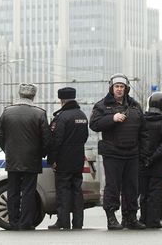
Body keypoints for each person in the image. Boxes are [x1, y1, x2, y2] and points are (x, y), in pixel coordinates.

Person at [90, 73, 147, 230]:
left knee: (132, 187)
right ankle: (111, 217)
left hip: (132, 153)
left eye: (122, 87)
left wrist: (143, 151)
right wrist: (112, 118)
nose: (119, 90)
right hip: (112, 153)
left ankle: (130, 217)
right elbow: (94, 124)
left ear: (126, 88)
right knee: (113, 186)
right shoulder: (102, 105)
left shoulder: (135, 105)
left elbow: (143, 130)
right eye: (117, 87)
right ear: (111, 88)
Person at [0, 83, 50, 231]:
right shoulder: (39, 113)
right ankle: (26, 223)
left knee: (12, 190)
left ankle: (13, 222)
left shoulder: (7, 112)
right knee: (28, 191)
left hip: (13, 159)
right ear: (33, 96)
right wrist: (42, 153)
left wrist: (8, 150)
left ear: (19, 94)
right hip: (32, 159)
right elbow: (46, 139)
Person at [46, 86, 89, 230]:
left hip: (63, 160)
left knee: (63, 191)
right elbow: (85, 137)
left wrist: (52, 160)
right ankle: (78, 222)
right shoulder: (82, 115)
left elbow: (56, 141)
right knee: (77, 191)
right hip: (78, 159)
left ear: (61, 101)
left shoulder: (62, 117)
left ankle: (63, 222)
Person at [138, 92, 162, 229]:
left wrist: (144, 158)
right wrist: (152, 158)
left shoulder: (141, 122)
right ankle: (153, 220)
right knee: (155, 194)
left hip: (142, 164)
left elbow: (137, 142)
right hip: (159, 166)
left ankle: (143, 218)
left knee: (144, 194)